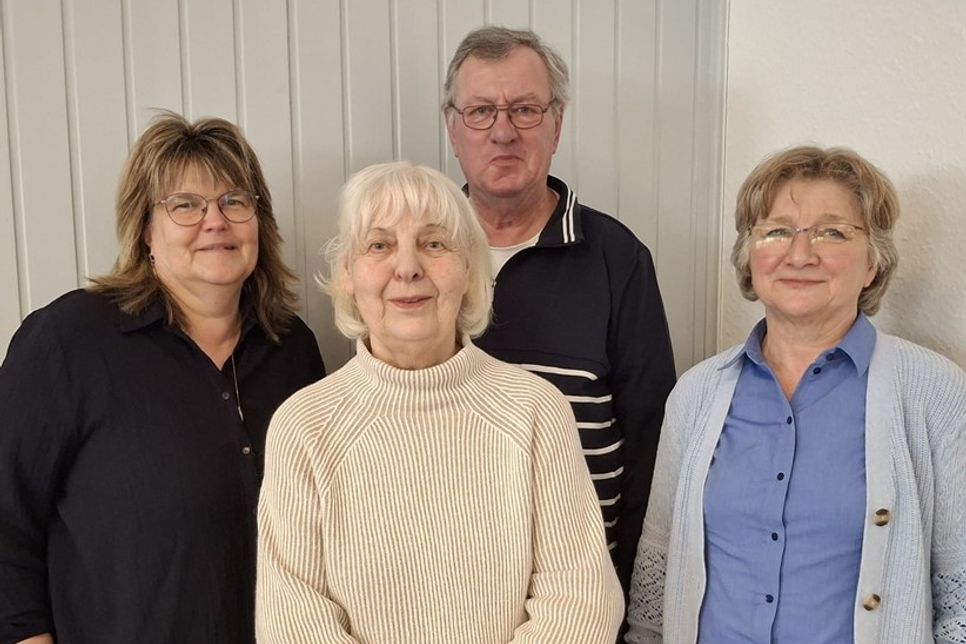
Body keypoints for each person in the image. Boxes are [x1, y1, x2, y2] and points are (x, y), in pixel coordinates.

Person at [256, 161, 623, 643]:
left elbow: (582, 599)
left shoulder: (536, 410)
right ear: (348, 274)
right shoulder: (303, 426)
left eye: (433, 243)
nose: (407, 268)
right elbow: (292, 620)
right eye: (379, 245)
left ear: (469, 268)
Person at [0, 112, 325, 644]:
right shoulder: (68, 343)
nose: (215, 221)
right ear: (146, 230)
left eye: (234, 201)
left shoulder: (292, 350)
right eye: (185, 205)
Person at [625, 146, 966, 643]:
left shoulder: (934, 391)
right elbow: (657, 575)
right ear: (749, 255)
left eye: (833, 232)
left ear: (873, 262)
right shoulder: (696, 394)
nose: (800, 254)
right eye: (777, 231)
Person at [442, 25, 677, 598]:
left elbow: (653, 444)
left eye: (525, 109)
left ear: (557, 124)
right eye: (480, 111)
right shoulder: (416, 257)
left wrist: (622, 592)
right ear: (452, 128)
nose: (503, 132)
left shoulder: (617, 259)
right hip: (441, 589)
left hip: (579, 595)